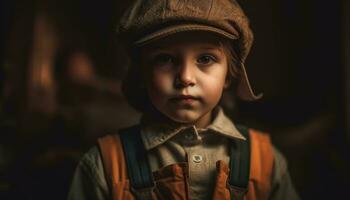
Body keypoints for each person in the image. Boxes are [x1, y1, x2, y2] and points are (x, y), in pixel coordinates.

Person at [68, 0, 300, 199]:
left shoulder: (266, 163)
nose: (185, 78)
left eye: (206, 58)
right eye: (165, 59)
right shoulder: (104, 165)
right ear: (141, 74)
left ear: (229, 75)